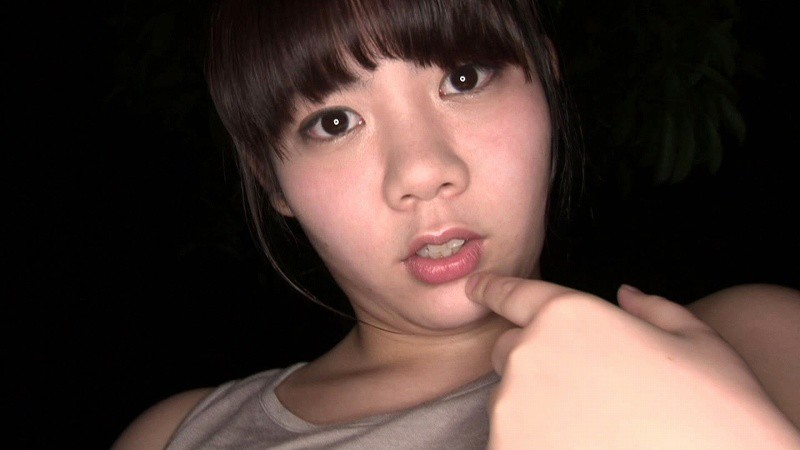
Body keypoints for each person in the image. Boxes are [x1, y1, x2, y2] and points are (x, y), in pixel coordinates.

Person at [112, 0, 800, 448]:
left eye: (464, 78)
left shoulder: (758, 342)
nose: (421, 171)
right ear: (272, 181)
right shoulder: (179, 436)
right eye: (334, 122)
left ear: (545, 79)